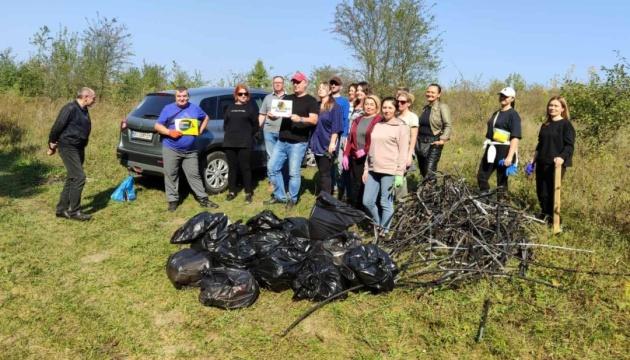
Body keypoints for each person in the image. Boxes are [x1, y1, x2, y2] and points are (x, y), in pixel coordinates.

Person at [154, 86, 217, 211]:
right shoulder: (168, 109)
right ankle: (173, 201)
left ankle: (203, 199)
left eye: (184, 96)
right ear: (175, 97)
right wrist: (169, 132)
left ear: (188, 97)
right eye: (179, 96)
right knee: (171, 175)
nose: (181, 99)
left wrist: (200, 130)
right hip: (171, 148)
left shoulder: (194, 108)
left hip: (190, 150)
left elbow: (206, 117)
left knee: (194, 175)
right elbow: (157, 125)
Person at [265, 71, 319, 208]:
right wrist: (272, 116)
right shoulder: (287, 98)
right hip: (282, 140)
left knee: (293, 173)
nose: (295, 84)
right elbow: (277, 115)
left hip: (298, 142)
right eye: (294, 82)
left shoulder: (311, 101)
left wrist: (300, 118)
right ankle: (280, 196)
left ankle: (292, 199)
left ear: (305, 83)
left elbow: (314, 119)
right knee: (272, 168)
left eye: (298, 82)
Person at [47, 87, 97, 221]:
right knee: (79, 177)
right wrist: (51, 142)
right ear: (85, 97)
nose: (95, 100)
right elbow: (58, 126)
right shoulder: (70, 108)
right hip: (68, 146)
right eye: (93, 98)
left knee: (72, 177)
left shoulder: (84, 110)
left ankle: (61, 209)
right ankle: (74, 211)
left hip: (79, 147)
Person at [362, 97, 410, 233]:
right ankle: (377, 224)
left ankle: (385, 231)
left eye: (390, 107)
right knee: (367, 201)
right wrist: (366, 169)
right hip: (373, 169)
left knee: (385, 202)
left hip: (390, 170)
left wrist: (400, 174)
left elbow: (403, 152)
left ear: (395, 109)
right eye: (384, 107)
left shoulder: (401, 127)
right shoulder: (378, 125)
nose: (386, 110)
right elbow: (371, 148)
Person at [533, 96, 575, 222]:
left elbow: (569, 145)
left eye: (556, 106)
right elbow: (540, 144)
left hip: (556, 165)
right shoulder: (545, 125)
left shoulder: (566, 125)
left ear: (562, 108)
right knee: (541, 192)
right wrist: (533, 160)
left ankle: (555, 221)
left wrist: (561, 157)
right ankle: (545, 216)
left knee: (552, 193)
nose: (552, 108)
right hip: (541, 162)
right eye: (551, 105)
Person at [477, 86, 522, 193]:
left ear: (512, 99)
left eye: (506, 96)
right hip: (491, 148)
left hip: (504, 150)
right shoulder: (496, 113)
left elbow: (515, 137)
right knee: (481, 176)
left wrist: (510, 157)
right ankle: (485, 199)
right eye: (501, 95)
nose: (503, 98)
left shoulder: (513, 115)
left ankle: (502, 207)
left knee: (502, 181)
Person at [342, 94, 382, 209]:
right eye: (366, 104)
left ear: (376, 106)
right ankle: (356, 207)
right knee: (355, 182)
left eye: (371, 104)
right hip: (354, 156)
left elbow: (376, 139)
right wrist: (345, 154)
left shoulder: (379, 120)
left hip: (368, 157)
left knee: (364, 183)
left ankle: (366, 208)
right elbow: (350, 138)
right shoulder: (358, 119)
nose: (368, 107)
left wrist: (365, 150)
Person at [224, 84, 259, 204]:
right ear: (236, 95)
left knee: (245, 168)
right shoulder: (229, 107)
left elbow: (256, 125)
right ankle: (231, 191)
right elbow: (226, 124)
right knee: (232, 168)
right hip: (230, 142)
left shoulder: (251, 108)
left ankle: (248, 193)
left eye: (245, 94)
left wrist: (248, 135)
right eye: (240, 94)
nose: (243, 96)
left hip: (245, 142)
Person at [310, 82, 343, 194]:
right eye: (319, 88)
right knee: (321, 170)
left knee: (325, 172)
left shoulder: (335, 107)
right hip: (316, 142)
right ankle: (323, 193)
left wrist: (332, 143)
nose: (320, 90)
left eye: (323, 88)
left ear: (329, 91)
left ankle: (326, 197)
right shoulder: (316, 105)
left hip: (327, 143)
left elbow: (336, 127)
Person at [416, 84, 452, 179]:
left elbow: (447, 125)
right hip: (420, 143)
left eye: (433, 92)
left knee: (429, 172)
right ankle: (425, 192)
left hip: (433, 142)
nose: (429, 94)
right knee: (423, 170)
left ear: (439, 94)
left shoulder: (442, 107)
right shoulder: (425, 108)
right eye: (428, 92)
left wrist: (442, 140)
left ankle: (432, 193)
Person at [258, 76, 288, 184]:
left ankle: (284, 179)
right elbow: (262, 114)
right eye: (275, 82)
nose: (277, 84)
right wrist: (257, 128)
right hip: (269, 131)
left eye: (280, 82)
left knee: (283, 156)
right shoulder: (267, 98)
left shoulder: (289, 98)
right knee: (271, 156)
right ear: (273, 84)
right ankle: (272, 181)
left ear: (283, 84)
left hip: (284, 131)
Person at [329, 76, 351, 199]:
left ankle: (341, 187)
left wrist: (344, 136)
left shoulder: (344, 101)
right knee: (330, 161)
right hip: (328, 135)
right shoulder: (327, 99)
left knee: (340, 163)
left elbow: (345, 119)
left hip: (340, 134)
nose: (333, 86)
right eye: (331, 84)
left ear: (340, 87)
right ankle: (331, 186)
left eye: (336, 84)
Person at [394, 90, 418, 198]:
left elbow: (413, 137)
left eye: (402, 102)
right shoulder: (395, 115)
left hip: (406, 151)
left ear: (408, 103)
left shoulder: (412, 117)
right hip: (394, 150)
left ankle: (401, 203)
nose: (399, 103)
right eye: (397, 101)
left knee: (401, 176)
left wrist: (409, 155)